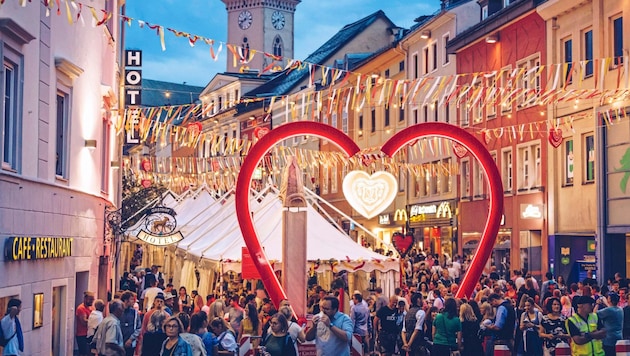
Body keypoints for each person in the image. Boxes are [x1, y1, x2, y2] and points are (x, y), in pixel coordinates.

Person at [120, 291, 142, 356]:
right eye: (131, 299)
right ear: (126, 300)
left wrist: (131, 339)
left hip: (130, 344)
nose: (133, 301)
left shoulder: (135, 313)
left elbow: (138, 327)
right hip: (119, 344)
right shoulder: (118, 311)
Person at [76, 291, 95, 356]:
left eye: (93, 300)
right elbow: (84, 322)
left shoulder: (91, 308)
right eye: (90, 300)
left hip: (90, 334)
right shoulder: (81, 308)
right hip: (82, 335)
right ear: (85, 299)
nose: (92, 301)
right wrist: (94, 321)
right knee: (84, 353)